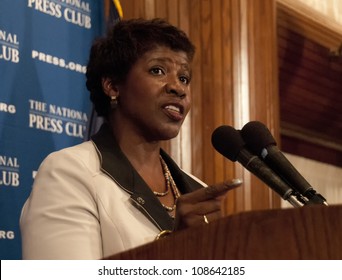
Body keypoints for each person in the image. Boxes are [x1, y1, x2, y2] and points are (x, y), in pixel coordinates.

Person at [20, 18, 241, 260]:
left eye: (184, 78)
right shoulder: (69, 173)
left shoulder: (196, 189)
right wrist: (175, 250)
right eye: (158, 70)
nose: (179, 88)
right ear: (113, 86)